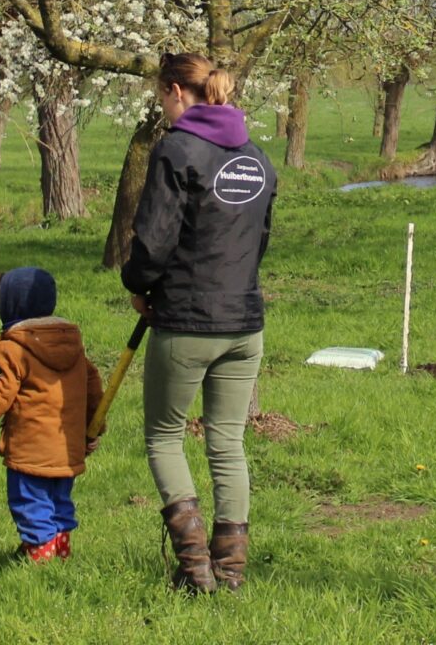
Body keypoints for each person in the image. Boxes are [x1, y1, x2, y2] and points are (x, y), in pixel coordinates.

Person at [121, 53, 276, 594]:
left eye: (160, 98)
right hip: (245, 322)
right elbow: (259, 241)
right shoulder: (257, 158)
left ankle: (195, 572)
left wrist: (138, 286)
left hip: (186, 321)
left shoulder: (176, 150)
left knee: (164, 437)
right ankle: (231, 572)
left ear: (174, 92)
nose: (161, 109)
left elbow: (154, 240)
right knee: (227, 442)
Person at [0, 267, 103, 562]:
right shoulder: (72, 344)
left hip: (30, 451)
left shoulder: (13, 349)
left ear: (11, 308)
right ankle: (58, 550)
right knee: (58, 500)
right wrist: (92, 430)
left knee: (30, 502)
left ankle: (41, 554)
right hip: (66, 448)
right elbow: (93, 390)